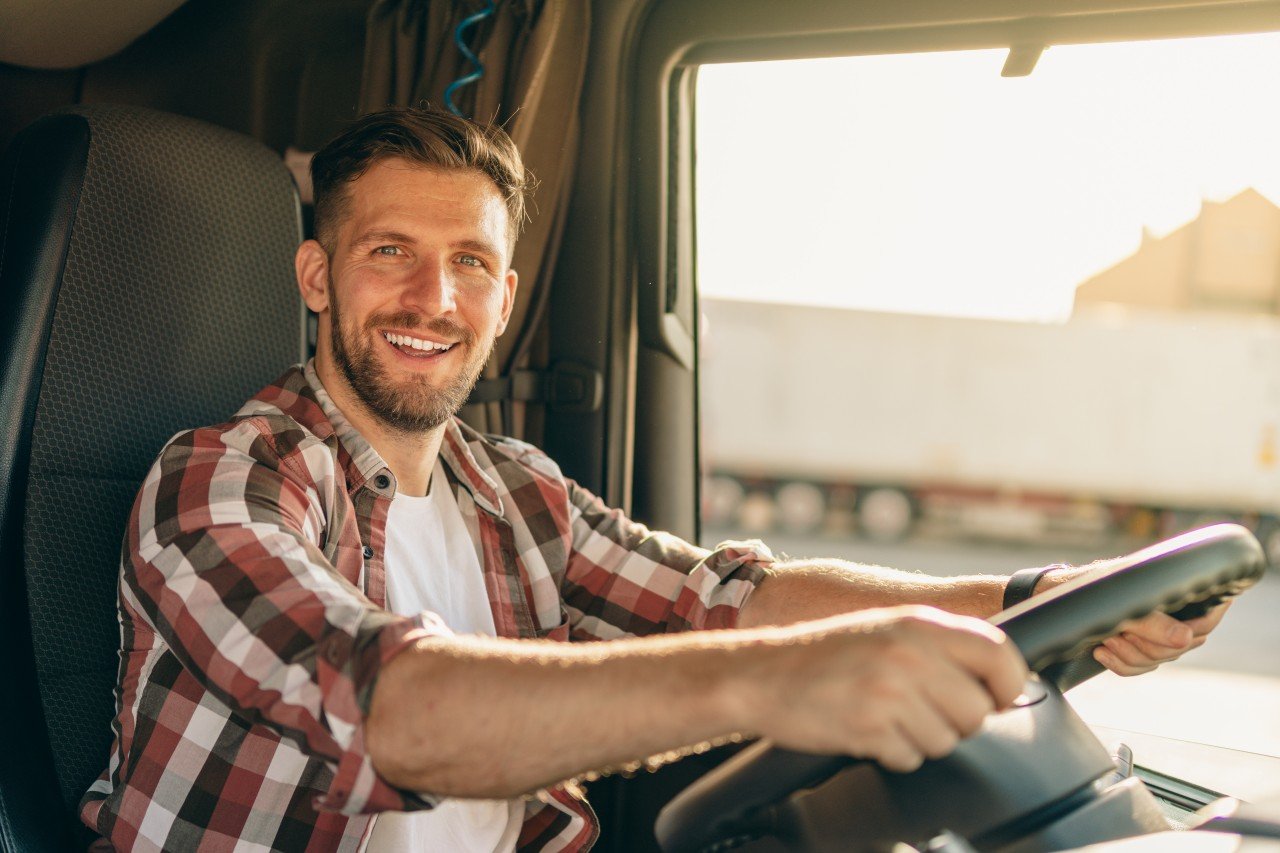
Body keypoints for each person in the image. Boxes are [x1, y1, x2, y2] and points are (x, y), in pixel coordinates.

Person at [79, 106, 1226, 853]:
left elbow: (730, 597)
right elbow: (389, 708)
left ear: (506, 298)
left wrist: (1025, 596)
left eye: (469, 264)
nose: (434, 299)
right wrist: (772, 685)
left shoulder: (512, 490)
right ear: (317, 278)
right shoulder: (221, 479)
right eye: (391, 254)